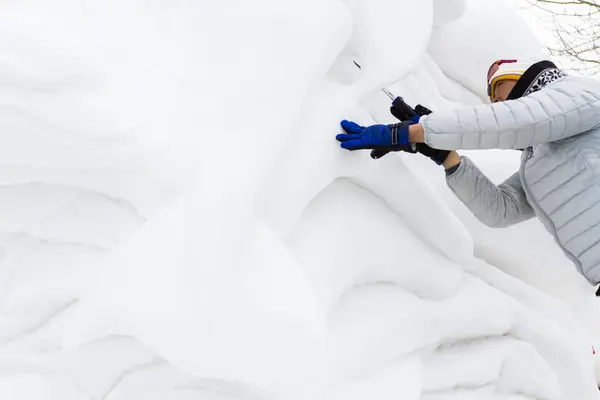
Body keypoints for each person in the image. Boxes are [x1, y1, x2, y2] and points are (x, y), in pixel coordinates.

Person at [336, 59, 600, 293]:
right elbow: (500, 210)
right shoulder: (538, 161)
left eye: (497, 88)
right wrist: (446, 156)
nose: (495, 101)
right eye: (492, 100)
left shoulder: (580, 92)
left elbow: (513, 121)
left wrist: (414, 131)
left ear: (523, 74)